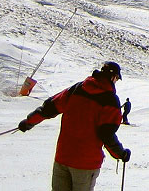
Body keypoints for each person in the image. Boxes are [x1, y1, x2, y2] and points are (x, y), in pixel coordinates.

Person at [17, 61, 130, 191]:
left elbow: (49, 107)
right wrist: (121, 154)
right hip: (85, 164)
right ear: (113, 77)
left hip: (63, 158)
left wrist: (28, 122)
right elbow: (106, 134)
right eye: (116, 79)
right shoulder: (110, 100)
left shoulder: (78, 88)